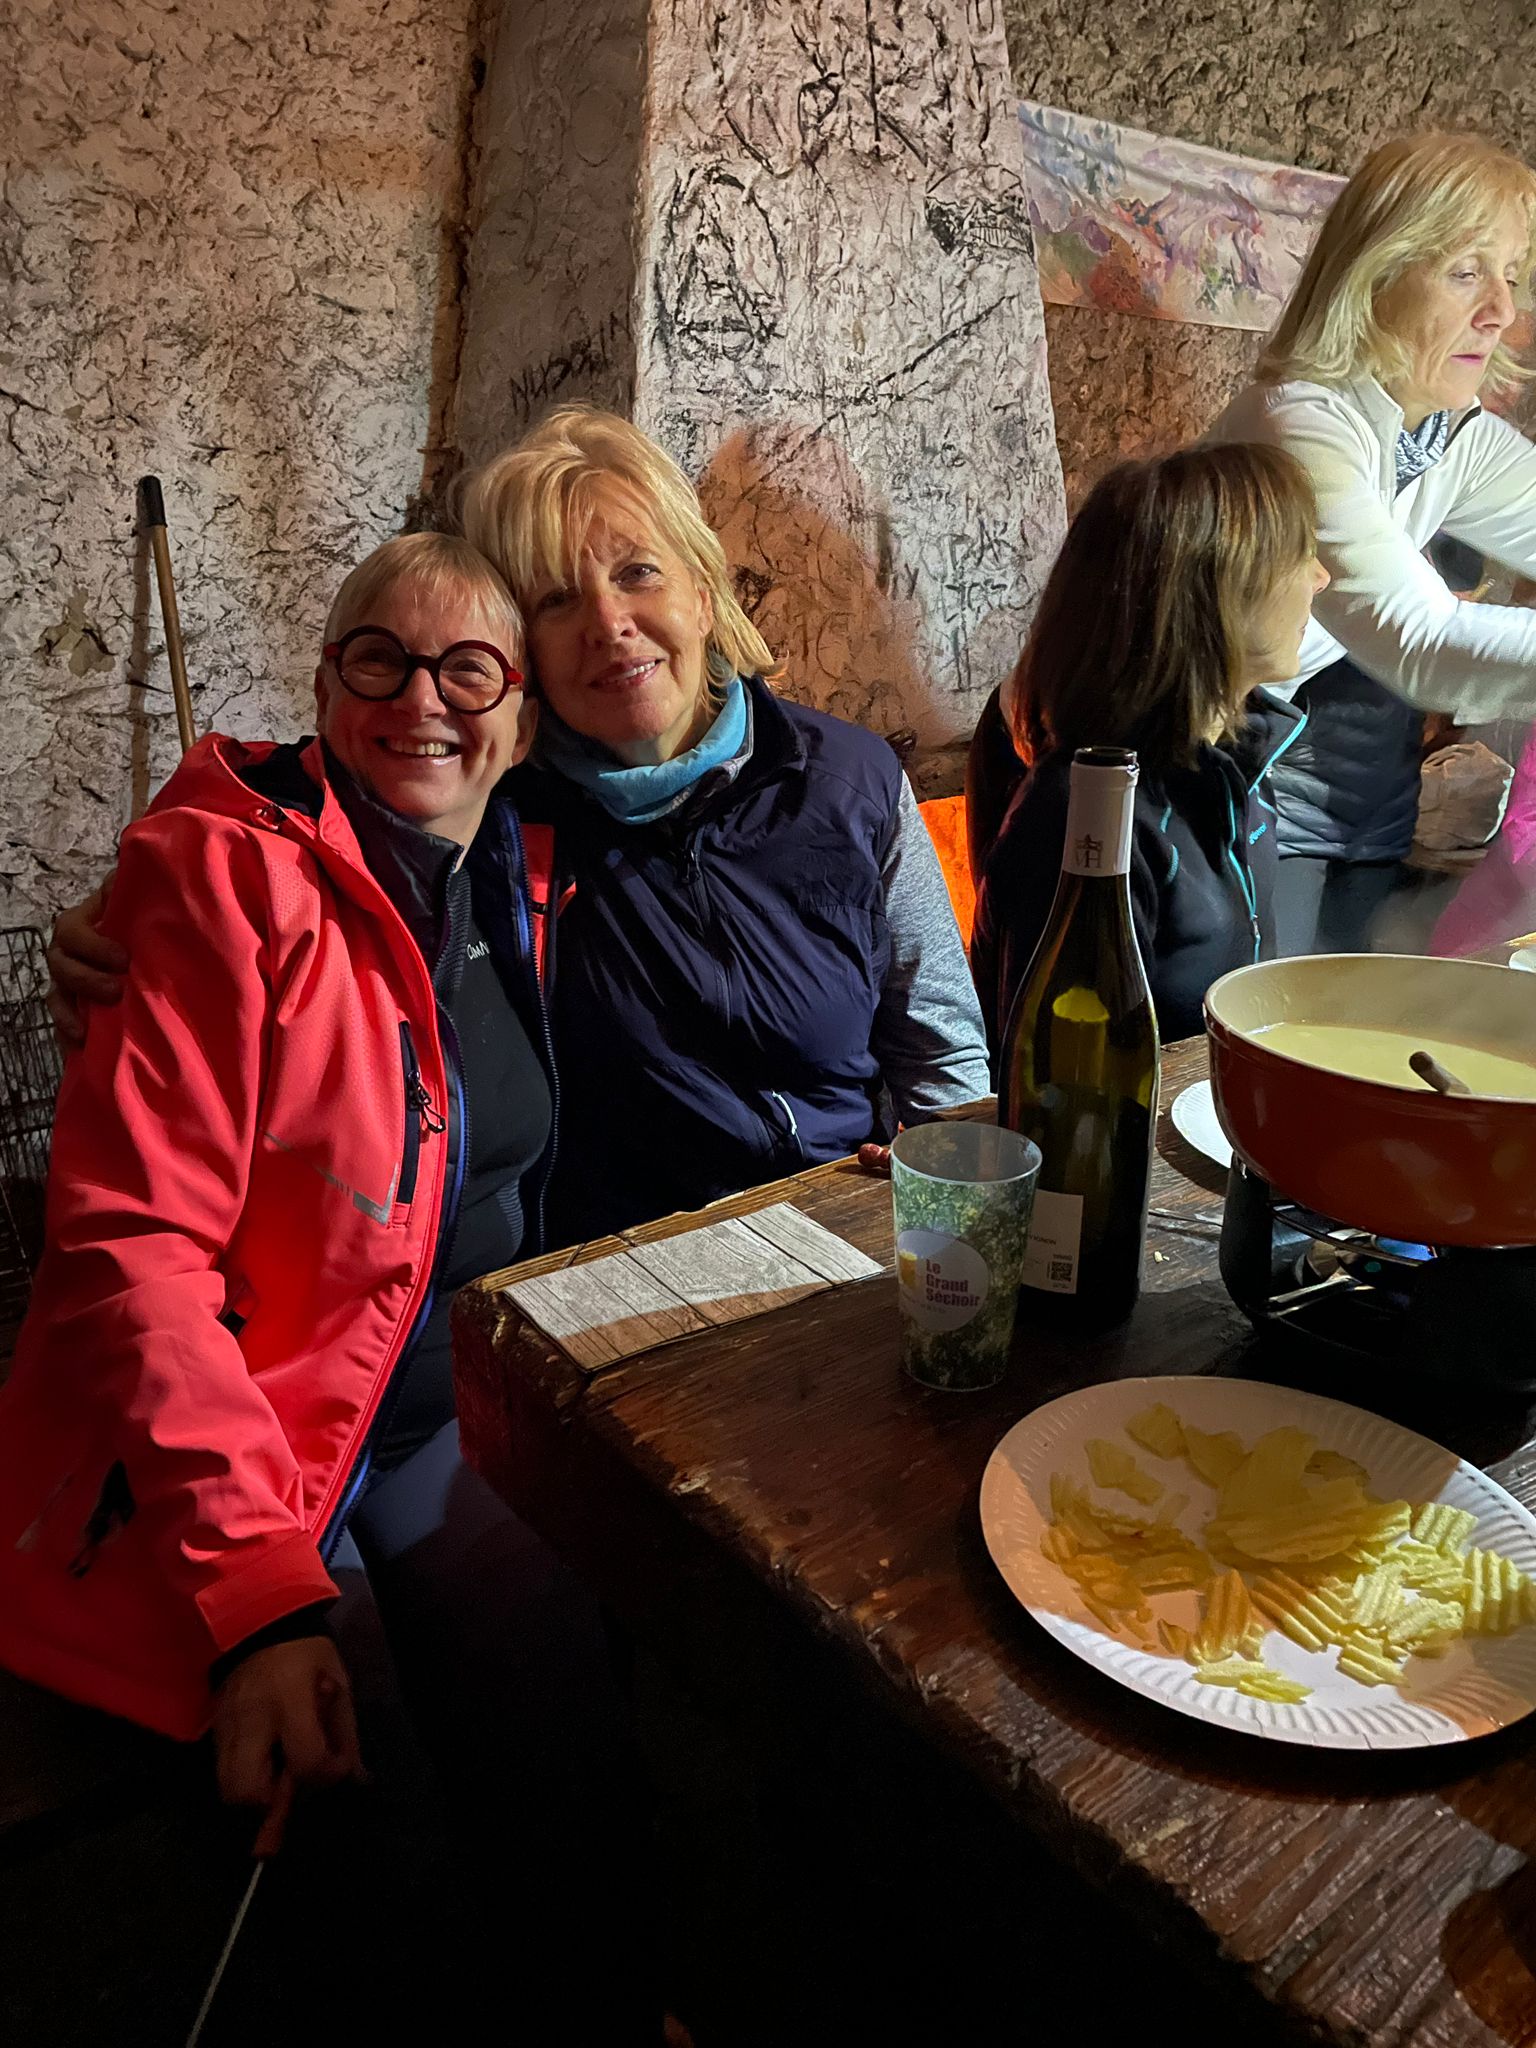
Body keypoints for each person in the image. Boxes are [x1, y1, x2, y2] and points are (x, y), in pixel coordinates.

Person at [3, 534, 655, 2035]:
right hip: (251, 1448)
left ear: (521, 714)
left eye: (468, 669)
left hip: (433, 1422)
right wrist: (255, 1598)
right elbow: (130, 1256)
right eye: (380, 659)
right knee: (370, 1806)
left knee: (571, 1718)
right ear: (323, 682)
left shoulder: (515, 866)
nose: (420, 700)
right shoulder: (224, 877)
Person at [455, 403, 993, 1244]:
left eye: (638, 572)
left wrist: (952, 1222)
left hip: (845, 1227)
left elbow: (941, 1056)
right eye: (557, 599)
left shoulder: (851, 782)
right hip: (622, 1266)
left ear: (703, 596)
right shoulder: (497, 823)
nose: (608, 623)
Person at [1206, 130, 1536, 955]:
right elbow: (1417, 638)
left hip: (1306, 779)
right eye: (1466, 272)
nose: (1501, 310)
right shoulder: (1300, 426)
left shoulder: (1446, 435)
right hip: (1171, 766)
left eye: (1510, 274)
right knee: (1234, 1022)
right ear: (1375, 273)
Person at [970, 445, 1326, 1051]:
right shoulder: (1088, 811)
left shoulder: (1237, 763)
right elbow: (1069, 1074)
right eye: (1298, 556)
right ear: (1212, 589)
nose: (1321, 577)